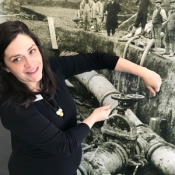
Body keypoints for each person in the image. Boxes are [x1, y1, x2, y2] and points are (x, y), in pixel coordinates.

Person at [0, 20, 161, 175]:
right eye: (17, 59)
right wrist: (93, 118)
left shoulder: (53, 69)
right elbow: (64, 145)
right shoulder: (13, 108)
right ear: (5, 66)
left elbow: (96, 59)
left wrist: (144, 72)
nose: (31, 63)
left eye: (32, 50)